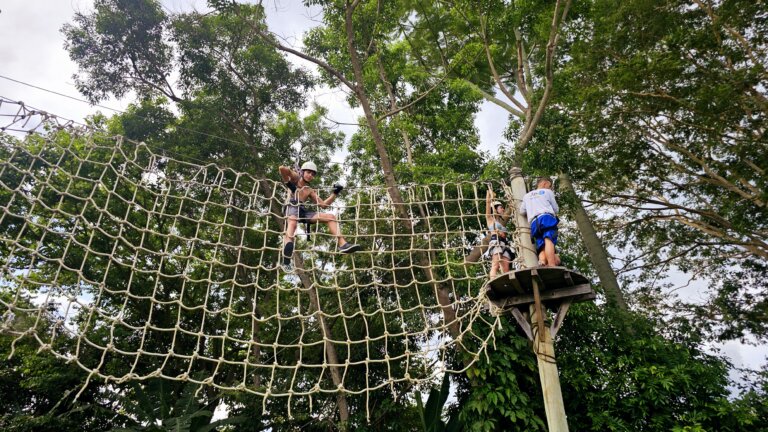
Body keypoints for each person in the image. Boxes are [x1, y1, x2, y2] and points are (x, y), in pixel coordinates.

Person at [279, 161, 361, 272]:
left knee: (330, 217)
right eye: (308, 172)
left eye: (313, 174)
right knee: (292, 224)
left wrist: (335, 193)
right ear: (302, 172)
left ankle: (343, 244)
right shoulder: (294, 180)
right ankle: (287, 253)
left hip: (302, 211)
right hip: (291, 207)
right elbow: (282, 169)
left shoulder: (309, 190)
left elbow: (323, 205)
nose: (310, 176)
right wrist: (295, 174)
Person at [520, 176, 561, 267]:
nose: (549, 188)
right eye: (549, 186)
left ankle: (542, 262)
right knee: (549, 239)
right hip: (546, 218)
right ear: (545, 183)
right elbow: (556, 209)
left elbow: (522, 211)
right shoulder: (548, 192)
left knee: (542, 244)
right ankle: (551, 265)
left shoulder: (526, 196)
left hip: (534, 222)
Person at [484, 189, 515, 278]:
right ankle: (492, 283)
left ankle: (507, 283)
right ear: (495, 209)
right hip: (496, 242)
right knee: (496, 265)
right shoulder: (490, 219)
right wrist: (489, 193)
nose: (503, 209)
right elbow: (488, 203)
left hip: (504, 244)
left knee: (506, 268)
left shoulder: (500, 222)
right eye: (501, 207)